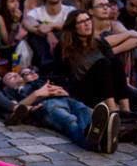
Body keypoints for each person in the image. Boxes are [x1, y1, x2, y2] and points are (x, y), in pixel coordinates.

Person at [55, 9, 130, 153]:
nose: (87, 24)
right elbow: (60, 75)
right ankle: (113, 111)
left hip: (106, 87)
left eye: (88, 20)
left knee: (115, 62)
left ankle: (126, 111)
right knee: (103, 63)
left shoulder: (100, 42)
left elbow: (115, 69)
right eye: (82, 22)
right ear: (73, 27)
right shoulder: (64, 47)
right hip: (82, 90)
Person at [1, 68, 119, 156]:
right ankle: (92, 143)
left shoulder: (42, 81)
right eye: (10, 77)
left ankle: (98, 137)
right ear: (7, 85)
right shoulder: (11, 91)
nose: (15, 75)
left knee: (84, 111)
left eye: (17, 74)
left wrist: (62, 91)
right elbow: (17, 107)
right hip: (48, 104)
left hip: (67, 99)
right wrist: (37, 94)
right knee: (69, 121)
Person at [22, 0, 73, 70]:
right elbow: (27, 22)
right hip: (43, 50)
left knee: (66, 31)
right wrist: (48, 34)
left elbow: (73, 24)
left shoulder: (70, 10)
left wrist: (51, 26)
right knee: (34, 35)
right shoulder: (36, 12)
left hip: (67, 50)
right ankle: (48, 66)